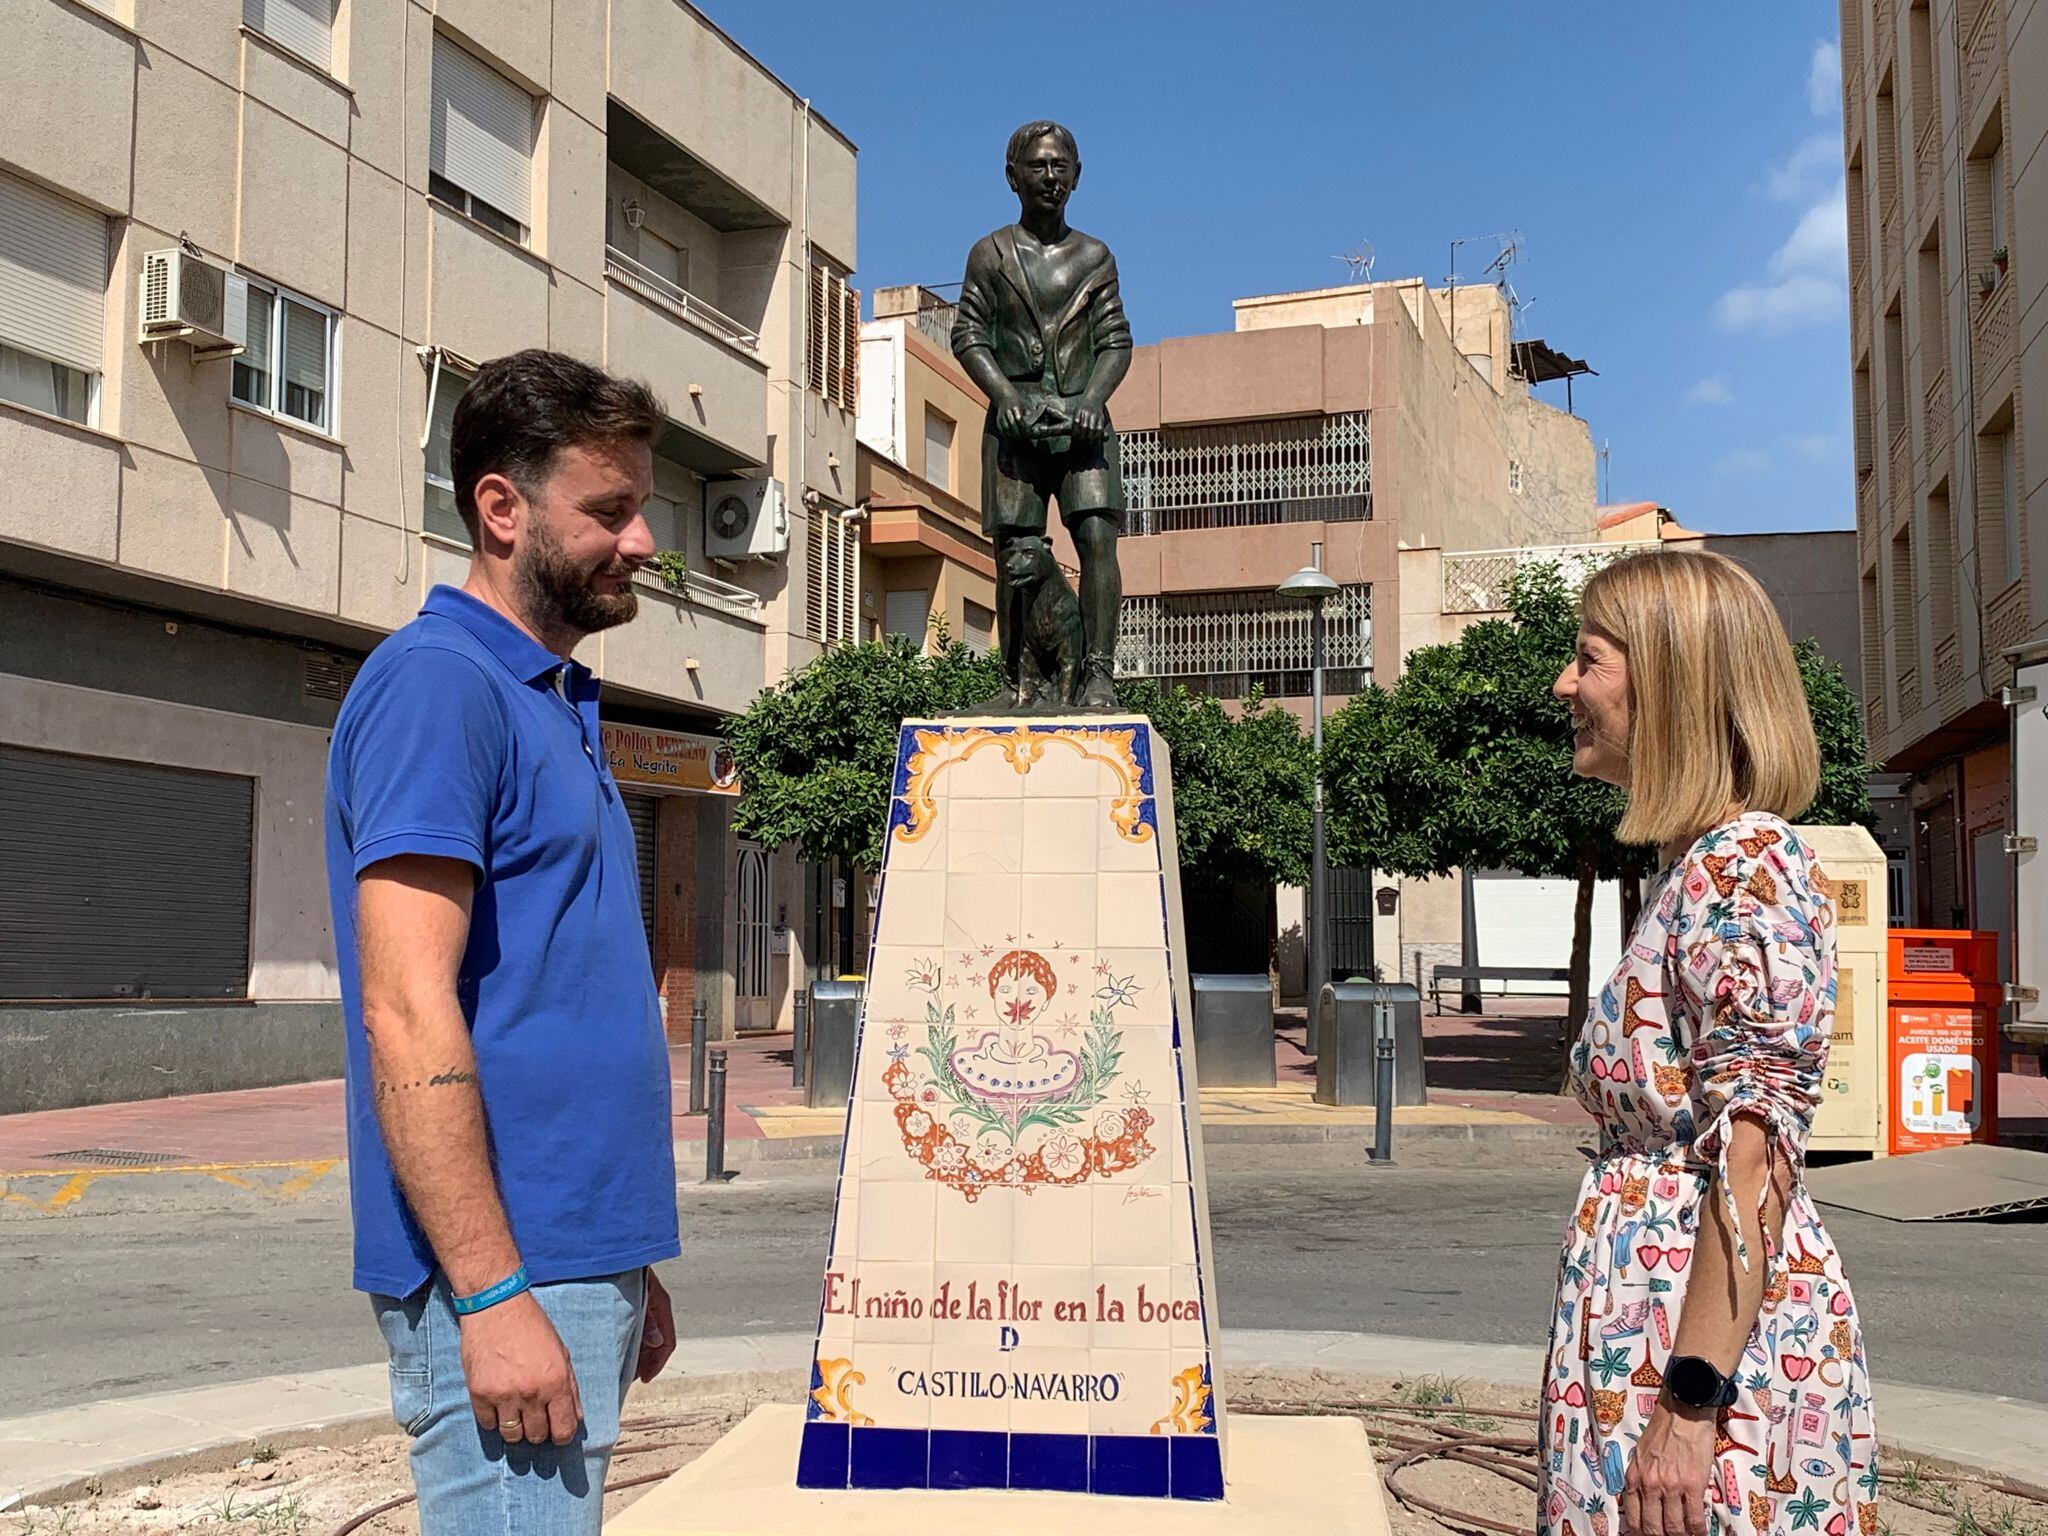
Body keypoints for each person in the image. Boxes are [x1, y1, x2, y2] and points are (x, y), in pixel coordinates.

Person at [324, 349, 680, 1532]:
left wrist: (623, 1259)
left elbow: (549, 990)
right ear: (499, 508)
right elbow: (405, 1005)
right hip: (505, 1273)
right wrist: (491, 1290)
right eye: (611, 512)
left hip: (570, 1257)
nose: (639, 544)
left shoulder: (543, 695)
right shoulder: (441, 686)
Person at [1541, 550, 1876, 1536]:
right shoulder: (1692, 869)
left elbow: (1753, 1150)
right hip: (1649, 1333)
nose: (1563, 684)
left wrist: (1688, 1408)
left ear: (1669, 676)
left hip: (1699, 1365)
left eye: (1587, 658)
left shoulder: (1742, 864)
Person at [953, 119, 1133, 708]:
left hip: (1082, 430)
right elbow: (968, 335)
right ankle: (1016, 681)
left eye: (1061, 166)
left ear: (1077, 176)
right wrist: (1003, 394)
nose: (1050, 177)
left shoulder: (1095, 256)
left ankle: (1100, 672)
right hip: (1015, 428)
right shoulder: (990, 254)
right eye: (1038, 166)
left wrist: (1090, 401)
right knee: (1015, 552)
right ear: (1012, 176)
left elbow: (1115, 340)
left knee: (1097, 538)